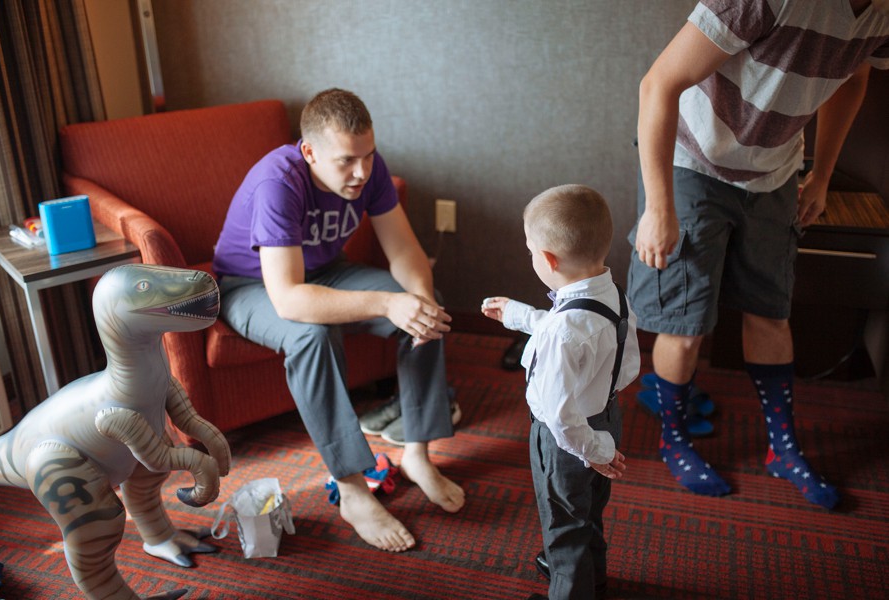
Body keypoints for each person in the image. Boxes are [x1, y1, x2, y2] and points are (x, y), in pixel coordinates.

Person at [629, 0, 889, 508]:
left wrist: (822, 175)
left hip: (774, 171)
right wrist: (659, 209)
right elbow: (657, 84)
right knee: (685, 325)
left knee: (771, 313)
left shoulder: (882, 16)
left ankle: (782, 449)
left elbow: (854, 78)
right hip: (692, 159)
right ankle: (673, 441)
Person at [212, 88, 465, 552]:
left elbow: (404, 250)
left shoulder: (371, 169)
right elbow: (289, 301)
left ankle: (417, 454)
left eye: (368, 156)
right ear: (309, 152)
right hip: (250, 287)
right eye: (347, 161)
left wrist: (419, 303)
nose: (361, 172)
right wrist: (387, 305)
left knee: (424, 306)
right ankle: (351, 490)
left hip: (327, 271)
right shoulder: (277, 183)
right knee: (311, 335)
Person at [482, 185, 640, 600]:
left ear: (549, 260)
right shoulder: (614, 296)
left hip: (565, 440)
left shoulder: (562, 331)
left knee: (563, 523)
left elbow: (559, 414)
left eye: (530, 250)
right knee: (589, 510)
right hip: (607, 415)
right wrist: (519, 315)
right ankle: (594, 578)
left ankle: (571, 589)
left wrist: (594, 450)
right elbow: (605, 351)